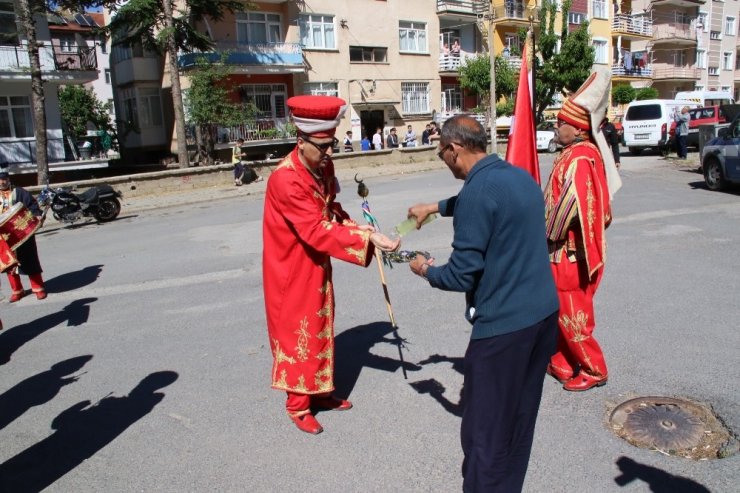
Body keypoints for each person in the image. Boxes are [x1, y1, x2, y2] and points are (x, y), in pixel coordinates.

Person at [407, 115, 559, 492]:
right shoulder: (517, 177)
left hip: (503, 329)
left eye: (440, 151)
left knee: (484, 431)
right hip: (542, 317)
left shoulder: (478, 193)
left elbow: (461, 275)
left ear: (454, 148)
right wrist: (435, 207)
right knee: (518, 420)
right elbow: (487, 203)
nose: (441, 159)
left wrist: (425, 269)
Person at [262, 95, 400, 435]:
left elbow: (330, 210)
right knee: (299, 333)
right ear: (301, 140)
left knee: (322, 321)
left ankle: (320, 391)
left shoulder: (323, 166)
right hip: (292, 266)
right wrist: (366, 241)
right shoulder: (286, 179)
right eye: (322, 146)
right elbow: (313, 228)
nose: (328, 153)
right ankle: (297, 406)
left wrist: (359, 228)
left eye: (331, 145)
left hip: (317, 259)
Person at [544, 67, 622, 392]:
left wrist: (547, 233)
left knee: (572, 311)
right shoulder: (575, 152)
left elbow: (570, 206)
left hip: (569, 253)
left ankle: (594, 368)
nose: (557, 127)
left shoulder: (579, 158)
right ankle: (562, 362)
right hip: (561, 251)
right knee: (558, 308)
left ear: (576, 129)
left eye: (561, 123)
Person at [0, 169, 47, 302]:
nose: (2, 182)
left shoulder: (19, 192)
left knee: (30, 260)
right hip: (5, 237)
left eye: (4, 179)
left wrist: (37, 214)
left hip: (22, 233)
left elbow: (32, 205)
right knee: (10, 264)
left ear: (8, 179)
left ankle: (38, 288)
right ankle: (17, 290)